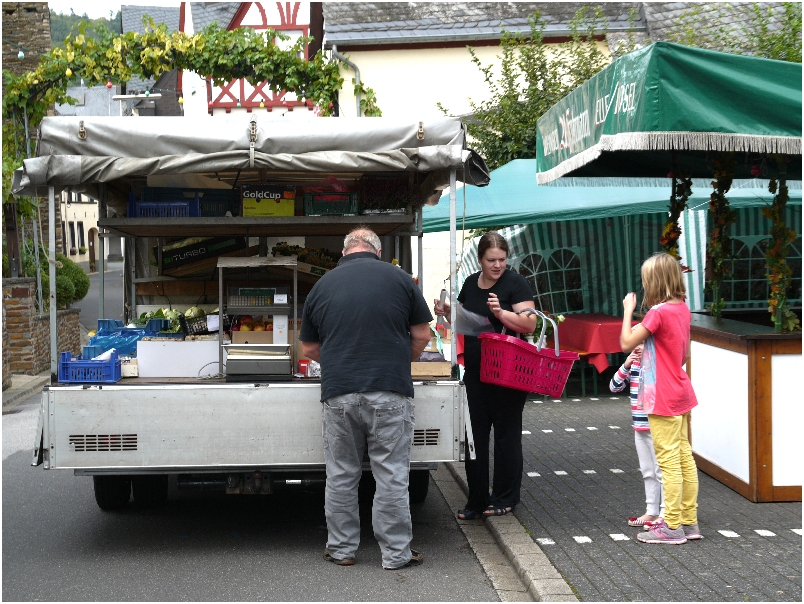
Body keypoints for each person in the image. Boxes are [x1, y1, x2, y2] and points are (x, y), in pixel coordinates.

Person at [300, 227, 433, 570]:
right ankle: (396, 555)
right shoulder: (401, 279)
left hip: (339, 393)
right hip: (389, 391)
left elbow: (309, 348)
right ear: (377, 250)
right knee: (390, 474)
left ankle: (341, 550)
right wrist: (395, 362)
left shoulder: (322, 285)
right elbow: (422, 334)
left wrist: (341, 364)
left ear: (344, 252)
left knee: (342, 473)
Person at [433, 231, 536, 520]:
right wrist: (447, 311)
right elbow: (468, 322)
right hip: (477, 373)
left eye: (502, 259)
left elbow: (529, 323)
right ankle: (477, 499)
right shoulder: (469, 283)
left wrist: (501, 313)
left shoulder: (515, 283)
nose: (497, 265)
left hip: (508, 374)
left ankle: (505, 498)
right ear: (480, 260)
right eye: (491, 260)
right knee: (474, 437)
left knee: (506, 436)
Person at [620, 252, 701, 545]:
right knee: (683, 458)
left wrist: (628, 311)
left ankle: (672, 527)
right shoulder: (683, 310)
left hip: (661, 394)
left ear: (654, 281)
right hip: (681, 389)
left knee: (667, 462)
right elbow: (685, 354)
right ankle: (689, 522)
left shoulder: (658, 312)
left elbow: (626, 342)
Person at [609, 337, 665, 528]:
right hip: (638, 427)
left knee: (661, 470)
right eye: (635, 345)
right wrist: (626, 364)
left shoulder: (655, 366)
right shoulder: (633, 366)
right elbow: (614, 386)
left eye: (642, 344)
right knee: (647, 470)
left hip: (655, 425)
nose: (637, 349)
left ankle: (665, 512)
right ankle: (651, 511)